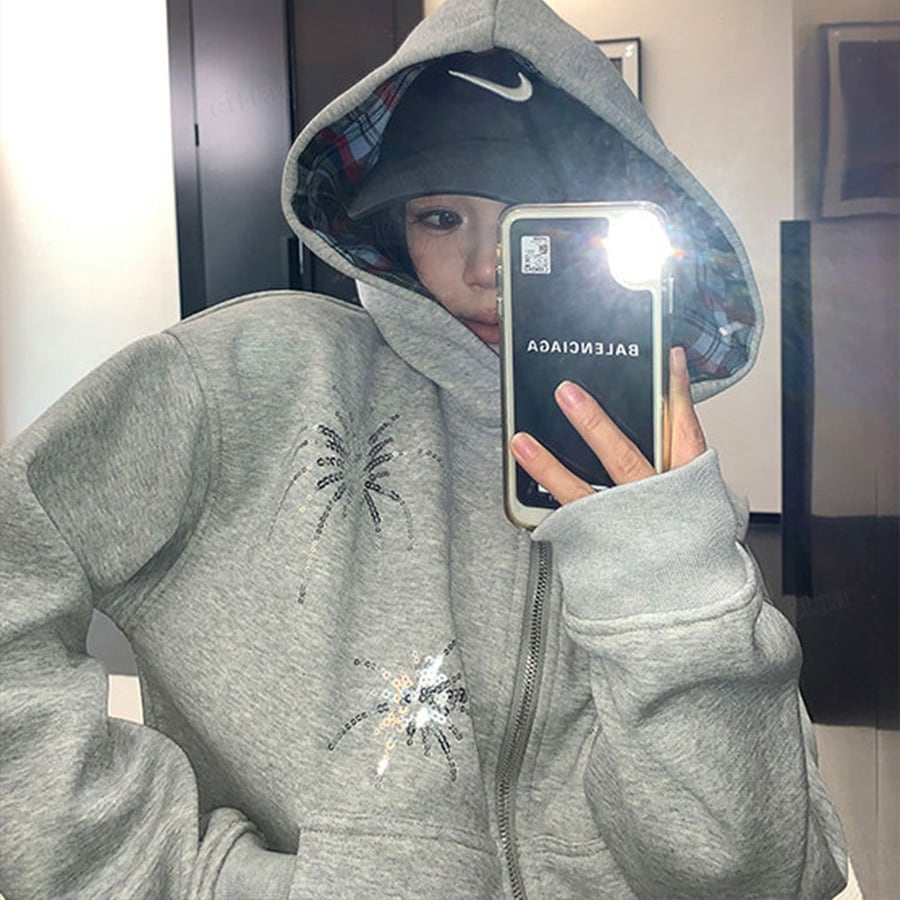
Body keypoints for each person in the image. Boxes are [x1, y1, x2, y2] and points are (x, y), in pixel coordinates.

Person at [0, 0, 848, 897]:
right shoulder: (253, 372)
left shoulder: (661, 471)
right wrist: (174, 869)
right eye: (441, 218)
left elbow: (751, 873)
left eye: (531, 222)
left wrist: (670, 572)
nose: (484, 268)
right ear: (392, 228)